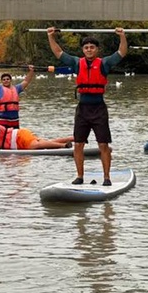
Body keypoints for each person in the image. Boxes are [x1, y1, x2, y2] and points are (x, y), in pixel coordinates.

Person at [47, 27, 127, 186]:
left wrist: (122, 37)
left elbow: (121, 53)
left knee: (103, 144)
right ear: (83, 50)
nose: (89, 50)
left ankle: (106, 178)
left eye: (92, 47)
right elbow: (58, 53)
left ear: (97, 49)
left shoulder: (104, 63)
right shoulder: (77, 63)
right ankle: (80, 176)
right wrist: (51, 37)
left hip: (99, 109)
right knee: (78, 144)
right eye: (86, 47)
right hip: (82, 109)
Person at [0, 116, 74, 150]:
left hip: (19, 139)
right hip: (20, 135)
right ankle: (72, 138)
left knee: (37, 145)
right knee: (44, 142)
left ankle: (64, 145)